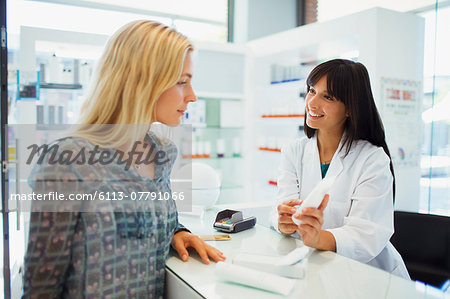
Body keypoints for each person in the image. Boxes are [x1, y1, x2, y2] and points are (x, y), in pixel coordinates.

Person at [22, 20, 225, 298]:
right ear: (142, 82)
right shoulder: (66, 162)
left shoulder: (162, 152)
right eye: (181, 82)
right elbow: (40, 287)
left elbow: (151, 218)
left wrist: (177, 232)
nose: (192, 95)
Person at [271, 59, 409, 279]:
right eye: (311, 91)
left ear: (350, 109)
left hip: (369, 276)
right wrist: (283, 221)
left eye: (327, 97)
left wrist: (318, 238)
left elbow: (367, 235)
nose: (312, 103)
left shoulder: (372, 159)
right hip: (315, 267)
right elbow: (281, 205)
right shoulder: (293, 151)